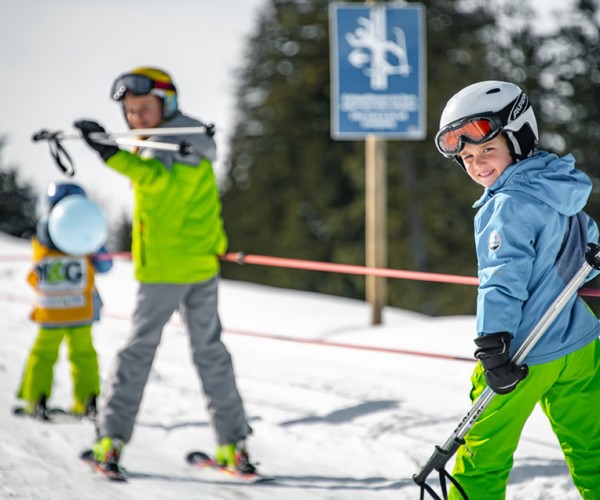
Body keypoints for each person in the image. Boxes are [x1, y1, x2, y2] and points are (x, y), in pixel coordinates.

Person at [73, 67, 254, 474]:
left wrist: (108, 153)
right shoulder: (184, 138)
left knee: (137, 352)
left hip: (167, 270)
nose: (137, 117)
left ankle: (110, 440)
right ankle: (233, 446)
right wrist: (115, 148)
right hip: (200, 265)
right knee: (210, 352)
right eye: (132, 112)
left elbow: (157, 185)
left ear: (166, 103)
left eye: (144, 108)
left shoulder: (177, 143)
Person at [434, 80, 600, 499]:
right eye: (467, 157)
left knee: (484, 457)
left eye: (488, 149)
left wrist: (493, 345)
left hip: (521, 354)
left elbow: (501, 277)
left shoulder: (507, 205)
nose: (477, 164)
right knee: (593, 447)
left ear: (519, 138)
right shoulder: (562, 186)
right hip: (579, 348)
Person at [16, 182, 113, 419]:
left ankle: (35, 399)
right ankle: (88, 400)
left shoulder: (43, 235)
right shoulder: (87, 237)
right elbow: (106, 265)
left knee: (43, 353)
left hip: (51, 310)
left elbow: (35, 274)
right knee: (84, 354)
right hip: (81, 310)